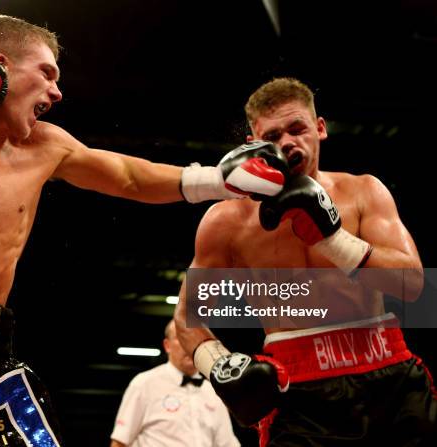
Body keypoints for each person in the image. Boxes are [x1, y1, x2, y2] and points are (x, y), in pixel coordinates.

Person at [0, 14, 289, 447]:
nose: (58, 91)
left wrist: (218, 180)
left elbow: (128, 176)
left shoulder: (46, 146)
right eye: (47, 73)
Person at [174, 77, 436, 446]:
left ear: (320, 128)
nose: (286, 143)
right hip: (300, 392)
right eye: (273, 135)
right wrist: (217, 364)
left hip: (388, 380)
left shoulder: (364, 191)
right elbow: (188, 317)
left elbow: (413, 285)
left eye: (297, 129)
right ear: (253, 144)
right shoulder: (226, 221)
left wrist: (331, 238)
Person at [110, 320, 240, 447]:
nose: (189, 345)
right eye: (181, 338)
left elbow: (226, 443)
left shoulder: (214, 391)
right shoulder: (144, 384)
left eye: (196, 340)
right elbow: (120, 442)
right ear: (167, 345)